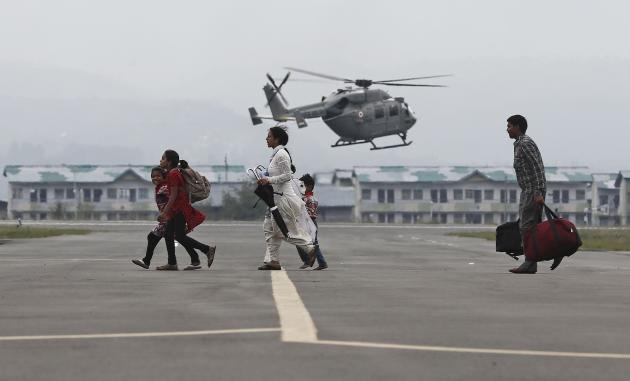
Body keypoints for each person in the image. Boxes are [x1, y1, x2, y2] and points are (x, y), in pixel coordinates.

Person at [257, 126, 316, 270]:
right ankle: (273, 261)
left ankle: (309, 248)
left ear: (277, 139)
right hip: (276, 199)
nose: (266, 138)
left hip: (284, 200)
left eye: (269, 136)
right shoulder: (275, 155)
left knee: (281, 231)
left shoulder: (282, 155)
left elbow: (288, 175)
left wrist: (269, 180)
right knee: (269, 228)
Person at [157, 150, 216, 271]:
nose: (160, 161)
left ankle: (207, 249)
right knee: (168, 235)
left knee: (179, 236)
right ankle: (172, 263)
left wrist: (164, 212)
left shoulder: (173, 174)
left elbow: (173, 196)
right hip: (176, 209)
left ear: (169, 162)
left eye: (163, 158)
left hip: (179, 210)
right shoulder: (174, 172)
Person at [506, 115, 547, 274]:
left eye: (509, 126)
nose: (507, 129)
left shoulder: (525, 144)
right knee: (529, 226)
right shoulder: (519, 144)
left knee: (527, 227)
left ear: (518, 127)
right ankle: (532, 261)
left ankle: (530, 262)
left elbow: (537, 168)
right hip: (528, 190)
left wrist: (537, 192)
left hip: (532, 190)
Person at [132, 167, 170, 269]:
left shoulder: (165, 187)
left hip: (169, 219)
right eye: (153, 176)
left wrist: (165, 214)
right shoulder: (160, 187)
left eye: (158, 176)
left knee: (182, 239)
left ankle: (202, 253)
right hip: (165, 219)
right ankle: (146, 261)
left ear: (164, 176)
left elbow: (174, 198)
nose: (155, 178)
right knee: (153, 237)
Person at [296, 174, 328, 270]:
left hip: (309, 223)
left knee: (303, 242)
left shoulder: (308, 199)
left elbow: (307, 213)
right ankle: (317, 262)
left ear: (309, 186)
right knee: (308, 243)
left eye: (302, 186)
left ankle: (311, 261)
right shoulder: (309, 198)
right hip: (309, 223)